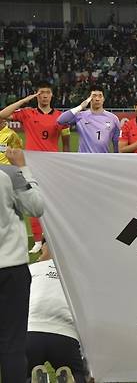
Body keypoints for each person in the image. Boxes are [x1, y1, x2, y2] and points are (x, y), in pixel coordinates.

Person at [0, 81, 70, 253]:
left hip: (53, 165)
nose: (44, 95)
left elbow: (66, 143)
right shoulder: (27, 113)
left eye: (47, 92)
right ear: (37, 95)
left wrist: (65, 163)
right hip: (30, 164)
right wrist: (25, 100)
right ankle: (38, 240)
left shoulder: (61, 117)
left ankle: (51, 238)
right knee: (32, 199)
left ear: (52, 95)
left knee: (52, 202)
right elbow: (3, 114)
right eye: (41, 92)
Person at [0, 148, 44, 383]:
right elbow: (36, 207)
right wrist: (24, 168)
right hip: (10, 268)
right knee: (12, 342)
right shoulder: (9, 174)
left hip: (11, 268)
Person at [27, 243, 85, 383]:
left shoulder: (31, 269)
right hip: (66, 335)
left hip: (30, 331)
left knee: (23, 373)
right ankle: (73, 377)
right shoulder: (78, 274)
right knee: (77, 373)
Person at [57, 87, 121, 153]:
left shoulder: (113, 118)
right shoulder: (80, 116)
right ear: (89, 99)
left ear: (103, 99)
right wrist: (81, 107)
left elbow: (116, 143)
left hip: (103, 160)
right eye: (94, 96)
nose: (97, 99)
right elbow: (60, 120)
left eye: (100, 96)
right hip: (84, 160)